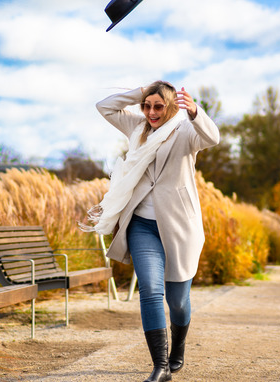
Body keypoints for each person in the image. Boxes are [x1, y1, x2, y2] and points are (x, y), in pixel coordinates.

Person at [85, 80, 220, 382]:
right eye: (147, 106)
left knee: (178, 302)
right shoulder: (136, 127)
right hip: (142, 226)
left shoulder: (185, 130)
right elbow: (104, 107)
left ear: (172, 105)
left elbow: (213, 137)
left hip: (179, 228)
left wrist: (196, 111)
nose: (151, 111)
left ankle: (178, 347)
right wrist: (141, 92)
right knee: (150, 289)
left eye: (158, 106)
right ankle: (160, 367)